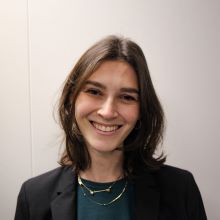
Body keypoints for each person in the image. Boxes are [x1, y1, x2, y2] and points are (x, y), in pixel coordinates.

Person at [14, 35, 207, 220]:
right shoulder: (33, 197)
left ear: (142, 110)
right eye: (94, 91)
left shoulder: (181, 190)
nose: (107, 112)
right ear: (72, 99)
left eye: (127, 97)